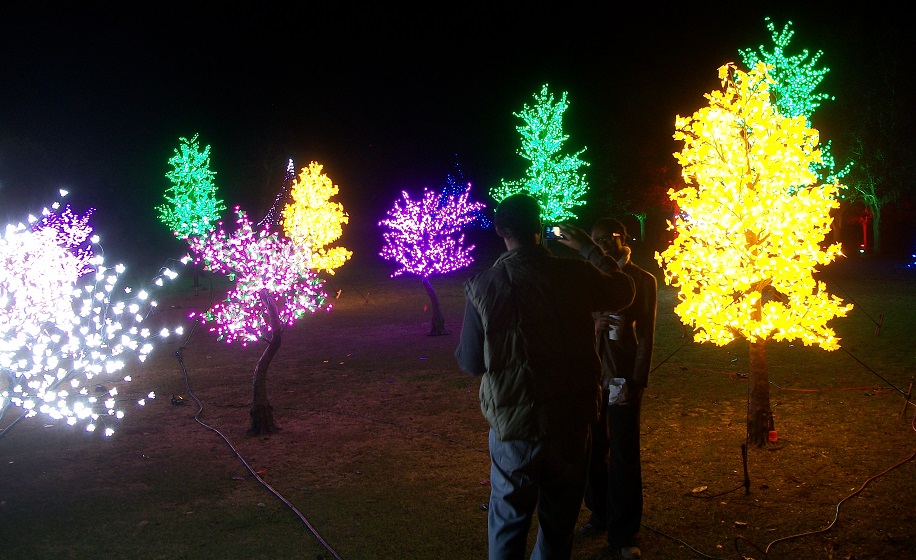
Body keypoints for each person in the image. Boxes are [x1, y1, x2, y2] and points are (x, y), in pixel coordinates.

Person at [455, 193, 636, 560]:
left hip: (514, 426)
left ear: (499, 230)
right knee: (558, 526)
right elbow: (623, 291)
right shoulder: (575, 274)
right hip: (570, 420)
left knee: (508, 521)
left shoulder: (484, 285)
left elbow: (471, 363)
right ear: (539, 226)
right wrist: (588, 249)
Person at [578, 218, 657, 560]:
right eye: (596, 239)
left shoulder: (642, 279)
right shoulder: (585, 278)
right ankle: (600, 512)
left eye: (609, 237)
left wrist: (637, 380)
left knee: (624, 453)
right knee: (592, 448)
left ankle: (624, 531)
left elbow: (648, 335)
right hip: (589, 376)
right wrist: (591, 325)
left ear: (623, 238)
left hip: (622, 377)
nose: (604, 244)